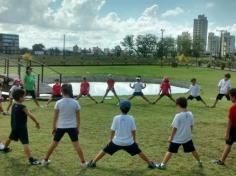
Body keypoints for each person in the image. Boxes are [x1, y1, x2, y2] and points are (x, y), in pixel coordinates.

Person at [86, 100, 156, 169]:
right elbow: (133, 130)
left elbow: (112, 130)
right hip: (129, 143)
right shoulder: (131, 118)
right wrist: (134, 140)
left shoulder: (116, 118)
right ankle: (150, 163)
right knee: (138, 151)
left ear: (120, 108)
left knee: (104, 150)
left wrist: (110, 140)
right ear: (129, 109)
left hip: (116, 142)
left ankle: (93, 162)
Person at [41, 84, 87, 167]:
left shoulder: (59, 102)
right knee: (76, 145)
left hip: (61, 127)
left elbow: (55, 117)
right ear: (71, 91)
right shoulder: (75, 102)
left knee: (54, 144)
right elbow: (78, 118)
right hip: (72, 127)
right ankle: (83, 163)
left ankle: (44, 161)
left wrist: (54, 127)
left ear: (61, 91)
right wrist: (78, 127)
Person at [157, 97, 202, 170]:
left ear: (178, 105)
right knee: (193, 150)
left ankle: (162, 165)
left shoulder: (178, 116)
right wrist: (190, 134)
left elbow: (174, 128)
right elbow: (191, 125)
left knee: (170, 151)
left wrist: (171, 137)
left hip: (177, 139)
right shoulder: (190, 114)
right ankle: (199, 161)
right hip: (187, 138)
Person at [0, 89, 41, 165]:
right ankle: (31, 160)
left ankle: (5, 149)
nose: (24, 98)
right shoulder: (22, 106)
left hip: (14, 126)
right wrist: (37, 122)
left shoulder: (14, 105)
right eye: (23, 96)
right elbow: (30, 115)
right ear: (20, 98)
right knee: (25, 142)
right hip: (21, 128)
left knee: (10, 137)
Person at [212, 88, 236, 165]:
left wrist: (227, 133)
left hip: (234, 129)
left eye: (230, 96)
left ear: (234, 97)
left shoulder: (233, 108)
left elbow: (230, 122)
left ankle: (221, 161)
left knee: (228, 144)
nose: (230, 98)